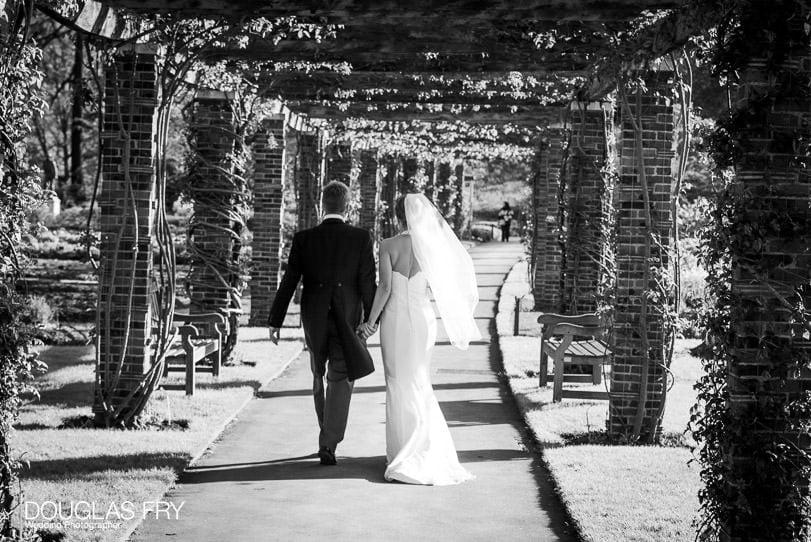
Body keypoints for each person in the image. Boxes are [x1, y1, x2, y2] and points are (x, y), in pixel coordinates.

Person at [358, 193, 478, 485]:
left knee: (397, 380)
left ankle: (403, 450)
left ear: (397, 216)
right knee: (418, 380)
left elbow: (385, 288)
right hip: (424, 320)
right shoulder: (431, 246)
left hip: (395, 320)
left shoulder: (388, 245)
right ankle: (422, 446)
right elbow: (442, 288)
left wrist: (369, 323)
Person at [268, 181, 377, 466]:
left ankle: (326, 435)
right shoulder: (361, 237)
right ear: (348, 205)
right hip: (348, 321)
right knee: (340, 379)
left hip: (314, 320)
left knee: (319, 374)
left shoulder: (305, 238)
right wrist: (373, 319)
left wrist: (275, 320)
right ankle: (328, 441)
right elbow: (367, 282)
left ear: (322, 205)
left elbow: (289, 279)